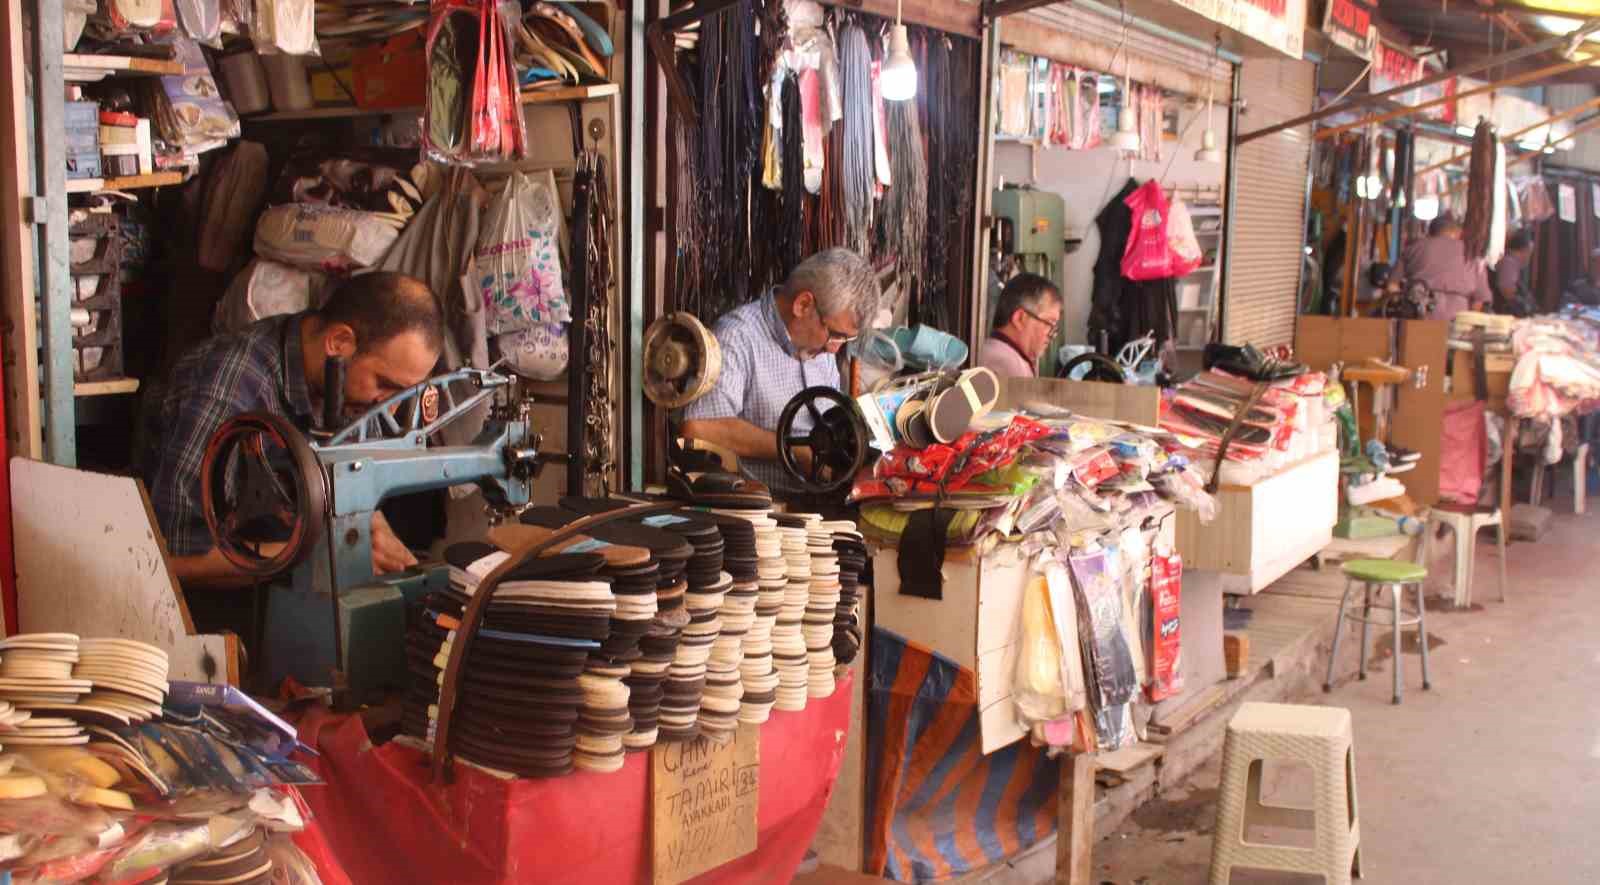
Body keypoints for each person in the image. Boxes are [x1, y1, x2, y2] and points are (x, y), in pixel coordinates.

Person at [143, 271, 444, 590]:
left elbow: (348, 492)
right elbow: (171, 555)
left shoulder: (356, 391)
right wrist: (323, 557)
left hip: (285, 583)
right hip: (202, 606)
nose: (390, 410)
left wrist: (375, 531)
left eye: (402, 394)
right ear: (339, 343)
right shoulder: (232, 385)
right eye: (385, 386)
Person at [681, 248, 878, 493]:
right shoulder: (737, 337)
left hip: (819, 501)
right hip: (760, 511)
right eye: (835, 335)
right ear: (803, 305)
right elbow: (698, 428)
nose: (834, 349)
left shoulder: (822, 350)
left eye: (845, 340)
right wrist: (792, 449)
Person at [1398, 215, 1491, 323]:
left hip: (1419, 316)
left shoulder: (1413, 248)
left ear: (1430, 232)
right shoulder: (1472, 254)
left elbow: (1392, 286)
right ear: (1457, 231)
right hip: (1458, 319)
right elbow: (1480, 298)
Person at [977, 273, 1063, 379]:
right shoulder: (1006, 364)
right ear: (1020, 318)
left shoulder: (1006, 354)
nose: (1052, 335)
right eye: (1049, 324)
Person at [1493, 230, 1535, 316]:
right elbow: (1507, 290)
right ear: (1524, 250)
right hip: (1503, 315)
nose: (1529, 257)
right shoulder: (1508, 263)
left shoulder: (1510, 263)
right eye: (1529, 253)